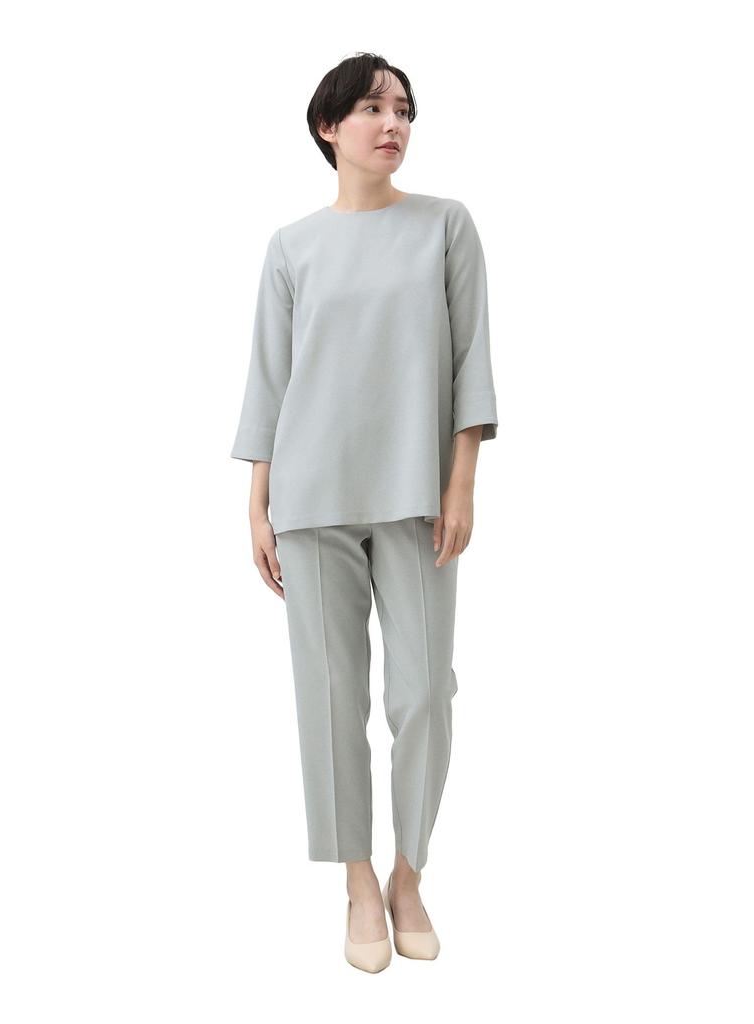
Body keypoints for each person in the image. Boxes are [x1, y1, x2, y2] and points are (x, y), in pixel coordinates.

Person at [230, 52, 498, 972]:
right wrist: (257, 501)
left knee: (424, 694)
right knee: (331, 697)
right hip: (311, 499)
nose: (394, 124)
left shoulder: (446, 226)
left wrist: (462, 480)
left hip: (418, 497)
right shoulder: (291, 246)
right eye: (374, 108)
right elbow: (271, 378)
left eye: (405, 110)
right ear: (328, 127)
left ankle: (408, 874)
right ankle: (356, 882)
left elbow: (470, 360)